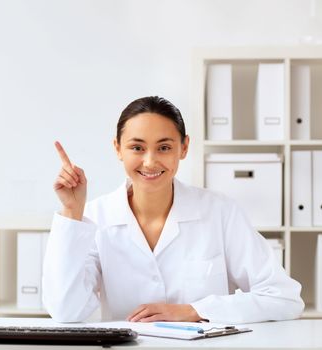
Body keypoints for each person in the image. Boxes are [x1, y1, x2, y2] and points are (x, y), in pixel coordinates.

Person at [42, 96, 304, 324]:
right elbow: (66, 310)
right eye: (137, 147)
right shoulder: (97, 215)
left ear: (184, 147)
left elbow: (284, 298)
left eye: (164, 147)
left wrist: (194, 311)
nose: (150, 161)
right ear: (118, 149)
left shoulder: (219, 211)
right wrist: (72, 212)